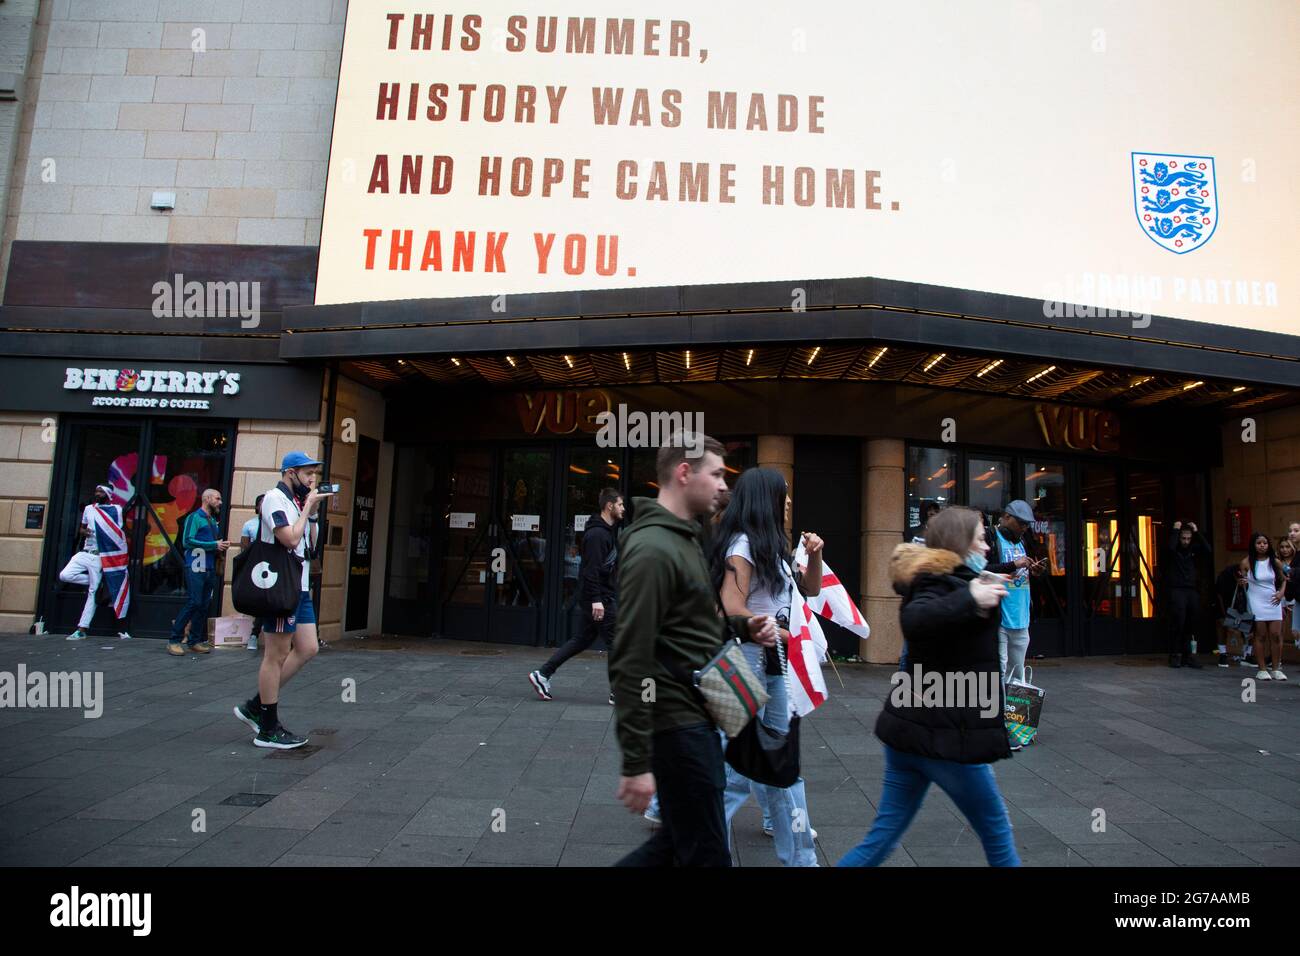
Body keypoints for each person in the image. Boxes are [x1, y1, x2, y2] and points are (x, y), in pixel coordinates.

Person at [610, 433, 777, 867]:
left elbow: (693, 623)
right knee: (705, 853)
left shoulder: (685, 538)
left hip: (699, 717)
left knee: (675, 848)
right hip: (678, 725)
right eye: (717, 473)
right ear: (685, 473)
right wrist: (635, 761)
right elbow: (630, 656)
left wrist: (744, 625)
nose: (725, 485)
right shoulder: (653, 549)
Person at [839, 506, 1018, 867]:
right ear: (960, 544)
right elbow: (916, 619)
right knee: (997, 832)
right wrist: (971, 598)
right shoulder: (938, 584)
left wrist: (978, 588)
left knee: (882, 838)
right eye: (981, 539)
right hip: (948, 738)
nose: (987, 548)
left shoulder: (952, 578)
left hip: (912, 734)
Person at [712, 467, 823, 867]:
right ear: (767, 499)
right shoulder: (743, 544)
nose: (789, 501)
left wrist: (816, 554)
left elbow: (811, 589)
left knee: (778, 761)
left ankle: (801, 859)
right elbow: (731, 604)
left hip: (768, 662)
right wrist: (768, 629)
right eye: (784, 494)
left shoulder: (770, 544)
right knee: (752, 764)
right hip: (745, 661)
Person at [233, 452, 332, 748]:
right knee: (275, 655)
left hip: (298, 587)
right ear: (290, 473)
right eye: (307, 473)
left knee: (308, 647)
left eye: (314, 474)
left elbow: (310, 546)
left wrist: (310, 512)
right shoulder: (274, 499)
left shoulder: (295, 502)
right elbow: (288, 538)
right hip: (279, 588)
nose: (312, 479)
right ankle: (267, 727)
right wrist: (307, 509)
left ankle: (255, 705)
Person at [529, 488, 625, 704]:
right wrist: (597, 600)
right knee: (617, 642)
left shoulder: (606, 532)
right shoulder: (597, 535)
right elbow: (590, 571)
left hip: (598, 597)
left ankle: (543, 674)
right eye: (620, 504)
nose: (623, 508)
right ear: (609, 506)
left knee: (581, 639)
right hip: (599, 599)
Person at [985, 500, 1039, 750]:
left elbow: (1027, 570)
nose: (1023, 529)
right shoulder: (990, 538)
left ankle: (1018, 723)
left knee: (1017, 673)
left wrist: (1035, 569)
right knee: (999, 669)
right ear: (1006, 517)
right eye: (1020, 524)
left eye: (1027, 526)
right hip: (999, 616)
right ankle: (999, 726)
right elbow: (983, 570)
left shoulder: (1023, 541)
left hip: (1021, 616)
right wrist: (1012, 565)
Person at [59, 484, 132, 641]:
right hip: (85, 552)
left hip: (101, 556)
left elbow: (118, 531)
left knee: (92, 593)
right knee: (64, 575)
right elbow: (82, 528)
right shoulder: (88, 509)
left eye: (100, 491)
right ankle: (97, 583)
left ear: (107, 494)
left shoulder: (116, 510)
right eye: (96, 491)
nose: (97, 493)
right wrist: (85, 532)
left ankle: (81, 629)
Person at [168, 487, 227, 656]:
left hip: (207, 567)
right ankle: (174, 639)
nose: (220, 502)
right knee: (194, 602)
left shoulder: (210, 519)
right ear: (207, 499)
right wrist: (214, 545)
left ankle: (194, 640)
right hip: (195, 566)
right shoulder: (195, 517)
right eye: (217, 498)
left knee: (203, 605)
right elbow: (187, 541)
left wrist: (217, 548)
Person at [1240, 532, 1286, 682]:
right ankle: (1262, 669)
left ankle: (1276, 668)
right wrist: (1241, 582)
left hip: (1273, 599)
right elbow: (1242, 580)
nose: (1262, 546)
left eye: (1265, 543)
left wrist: (1280, 593)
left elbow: (1284, 579)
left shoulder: (1275, 562)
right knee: (1260, 635)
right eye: (1259, 543)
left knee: (1276, 635)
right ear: (1254, 545)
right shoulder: (1246, 562)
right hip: (1256, 600)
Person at [1166, 520, 1209, 669]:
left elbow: (1208, 549)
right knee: (1179, 621)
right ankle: (1175, 654)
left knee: (1191, 623)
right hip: (1177, 589)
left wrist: (1197, 532)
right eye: (1183, 538)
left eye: (1188, 538)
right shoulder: (1175, 549)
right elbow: (1170, 548)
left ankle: (1189, 655)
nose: (1186, 541)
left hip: (1191, 589)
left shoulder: (1194, 550)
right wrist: (1175, 530)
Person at [239, 494, 265, 652]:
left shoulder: (276, 524)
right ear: (257, 507)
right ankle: (254, 635)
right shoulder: (250, 524)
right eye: (261, 503)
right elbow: (244, 548)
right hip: (255, 567)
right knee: (261, 603)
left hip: (272, 567)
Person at [1213, 560, 1248, 667]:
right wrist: (1225, 614)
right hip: (1228, 603)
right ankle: (1223, 654)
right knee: (1221, 624)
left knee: (1250, 627)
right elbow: (1219, 595)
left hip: (1246, 604)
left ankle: (1247, 654)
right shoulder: (1226, 575)